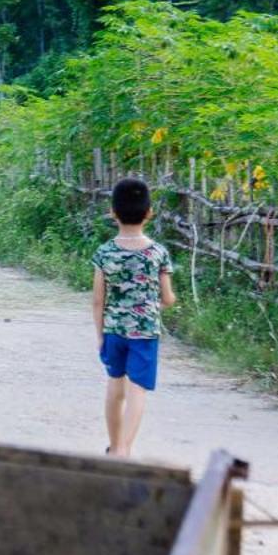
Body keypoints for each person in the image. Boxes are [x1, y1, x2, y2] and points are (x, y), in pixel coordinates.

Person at [91, 177, 177, 457]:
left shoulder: (104, 253)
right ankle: (124, 449)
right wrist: (154, 307)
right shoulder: (157, 253)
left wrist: (100, 333)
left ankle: (114, 445)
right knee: (137, 390)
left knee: (115, 386)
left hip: (114, 329)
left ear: (113, 212)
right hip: (145, 331)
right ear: (149, 212)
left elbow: (97, 300)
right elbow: (167, 298)